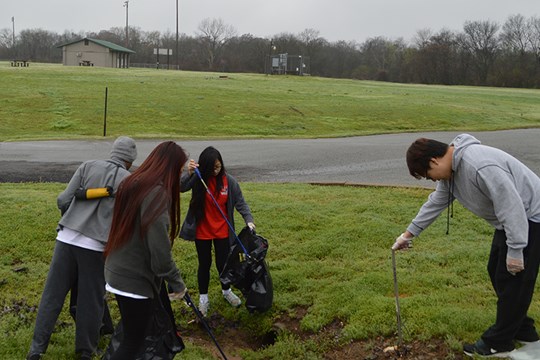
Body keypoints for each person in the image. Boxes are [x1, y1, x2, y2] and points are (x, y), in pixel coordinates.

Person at [393, 133, 540, 357]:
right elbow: (436, 202)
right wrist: (408, 234)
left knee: (513, 277)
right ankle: (524, 330)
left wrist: (516, 250)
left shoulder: (478, 165)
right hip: (511, 221)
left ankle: (498, 343)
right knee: (497, 271)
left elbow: (512, 206)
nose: (433, 180)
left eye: (428, 175)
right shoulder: (451, 173)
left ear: (434, 161)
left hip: (531, 217)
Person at [26, 136, 138, 360]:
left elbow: (63, 199)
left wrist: (74, 217)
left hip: (66, 238)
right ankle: (85, 352)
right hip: (96, 246)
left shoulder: (87, 165)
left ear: (113, 151)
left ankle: (36, 350)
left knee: (52, 296)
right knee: (91, 299)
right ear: (130, 160)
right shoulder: (130, 181)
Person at [104, 141, 188, 359]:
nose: (180, 176)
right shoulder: (157, 194)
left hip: (117, 273)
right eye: (179, 170)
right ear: (169, 168)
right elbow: (160, 255)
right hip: (133, 280)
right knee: (133, 343)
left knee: (133, 338)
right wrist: (178, 284)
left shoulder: (135, 182)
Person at [180, 146, 255, 317]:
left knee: (223, 264)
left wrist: (249, 221)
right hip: (202, 231)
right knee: (204, 264)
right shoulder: (198, 179)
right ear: (204, 166)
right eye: (212, 168)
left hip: (222, 231)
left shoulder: (229, 181)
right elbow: (180, 187)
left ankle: (226, 291)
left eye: (218, 167)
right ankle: (203, 298)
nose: (216, 171)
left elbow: (241, 203)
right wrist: (189, 173)